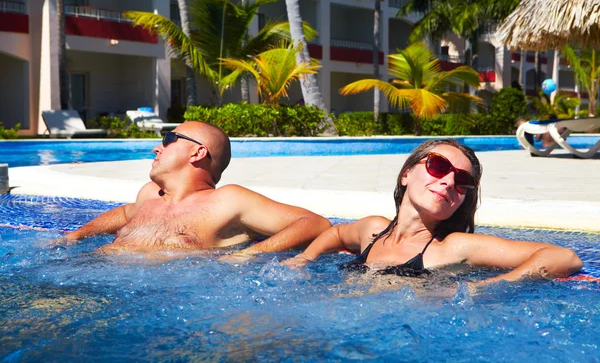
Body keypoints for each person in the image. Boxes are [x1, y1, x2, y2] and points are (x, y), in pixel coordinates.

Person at [283, 139, 582, 285]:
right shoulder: (372, 230)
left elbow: (564, 257)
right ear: (406, 174)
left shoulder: (450, 247)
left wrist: (487, 287)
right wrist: (303, 258)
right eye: (438, 166)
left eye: (463, 181)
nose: (450, 181)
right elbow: (335, 232)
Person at [65, 121, 331, 254]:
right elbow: (125, 213)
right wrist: (77, 235)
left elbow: (315, 223)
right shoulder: (149, 195)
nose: (157, 147)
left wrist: (249, 255)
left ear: (198, 153)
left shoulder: (228, 200)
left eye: (169, 139)